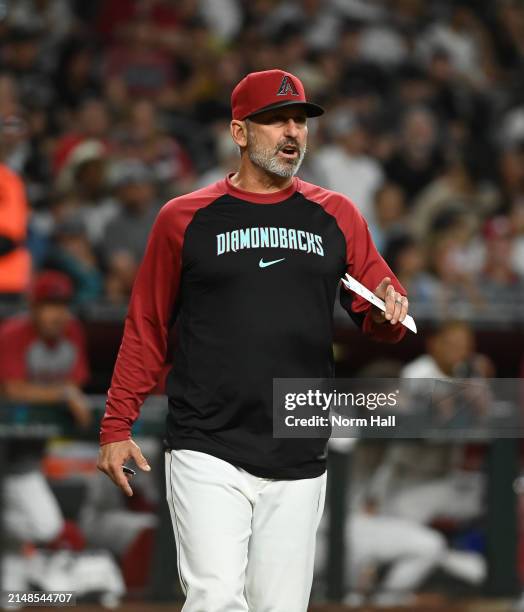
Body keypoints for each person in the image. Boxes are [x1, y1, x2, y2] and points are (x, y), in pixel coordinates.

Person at [97, 69, 410, 612]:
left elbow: (378, 312)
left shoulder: (336, 216)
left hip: (298, 444)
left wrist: (390, 309)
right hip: (207, 442)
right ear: (239, 133)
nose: (292, 132)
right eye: (274, 121)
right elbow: (146, 325)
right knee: (215, 599)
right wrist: (116, 423)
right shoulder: (184, 218)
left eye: (299, 120)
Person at [0, 270, 92, 549]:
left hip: (23, 457)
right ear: (34, 308)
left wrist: (65, 393)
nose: (58, 315)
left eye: (63, 306)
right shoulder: (14, 334)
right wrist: (62, 393)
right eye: (50, 306)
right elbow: (12, 390)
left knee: (46, 527)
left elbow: (76, 382)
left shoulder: (72, 333)